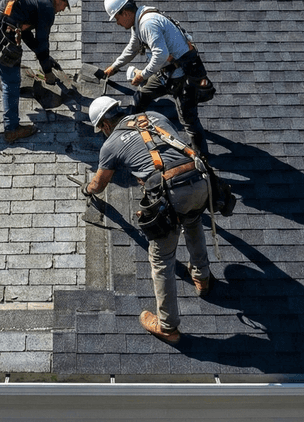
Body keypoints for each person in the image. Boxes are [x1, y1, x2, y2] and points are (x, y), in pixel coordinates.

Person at [82, 95, 212, 344]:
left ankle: (168, 326)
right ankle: (201, 277)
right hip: (199, 181)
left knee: (162, 258)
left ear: (105, 125)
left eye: (100, 129)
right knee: (193, 221)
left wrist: (87, 190)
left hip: (172, 193)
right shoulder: (154, 116)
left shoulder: (110, 144)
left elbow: (99, 184)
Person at [97, 0, 213, 156]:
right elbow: (133, 47)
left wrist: (142, 75)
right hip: (166, 73)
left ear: (126, 13)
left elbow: (161, 55)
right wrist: (114, 66)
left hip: (183, 77)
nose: (117, 23)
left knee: (189, 121)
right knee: (141, 97)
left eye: (117, 18)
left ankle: (202, 157)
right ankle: (136, 135)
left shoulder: (147, 23)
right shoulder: (139, 21)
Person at [0, 0, 80, 142]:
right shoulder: (47, 7)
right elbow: (42, 42)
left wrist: (46, 59)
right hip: (0, 33)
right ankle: (12, 129)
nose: (62, 10)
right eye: (65, 5)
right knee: (11, 82)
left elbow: (26, 34)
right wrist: (47, 72)